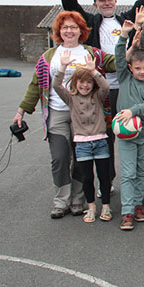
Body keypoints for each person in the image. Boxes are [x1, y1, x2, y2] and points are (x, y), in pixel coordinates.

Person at [59, 0, 144, 187]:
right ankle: (106, 180)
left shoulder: (126, 19)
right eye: (101, 0)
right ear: (95, 4)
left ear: (115, 1)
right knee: (102, 136)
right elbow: (69, 4)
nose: (106, 3)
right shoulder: (91, 23)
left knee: (136, 129)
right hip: (99, 89)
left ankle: (141, 175)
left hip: (125, 87)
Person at [13, 11, 115, 218]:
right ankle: (61, 200)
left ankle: (78, 200)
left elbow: (119, 61)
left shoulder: (93, 53)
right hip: (58, 111)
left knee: (81, 159)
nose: (69, 31)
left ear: (81, 31)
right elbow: (36, 85)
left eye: (74, 27)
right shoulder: (49, 57)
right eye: (65, 27)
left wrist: (131, 39)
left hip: (86, 115)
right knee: (59, 158)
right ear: (58, 31)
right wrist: (21, 111)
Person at [52, 51, 112, 222]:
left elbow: (106, 87)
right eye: (81, 81)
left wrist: (94, 72)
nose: (85, 85)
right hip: (82, 144)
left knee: (104, 176)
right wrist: (62, 67)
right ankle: (91, 206)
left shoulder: (98, 96)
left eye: (89, 82)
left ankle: (106, 206)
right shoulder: (70, 98)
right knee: (87, 177)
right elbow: (56, 85)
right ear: (75, 82)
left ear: (93, 84)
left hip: (100, 140)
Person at [115, 18, 144, 231]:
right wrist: (124, 35)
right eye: (138, 68)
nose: (142, 71)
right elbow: (118, 57)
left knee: (141, 172)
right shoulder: (124, 78)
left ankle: (138, 205)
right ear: (130, 68)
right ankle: (127, 212)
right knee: (129, 173)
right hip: (125, 135)